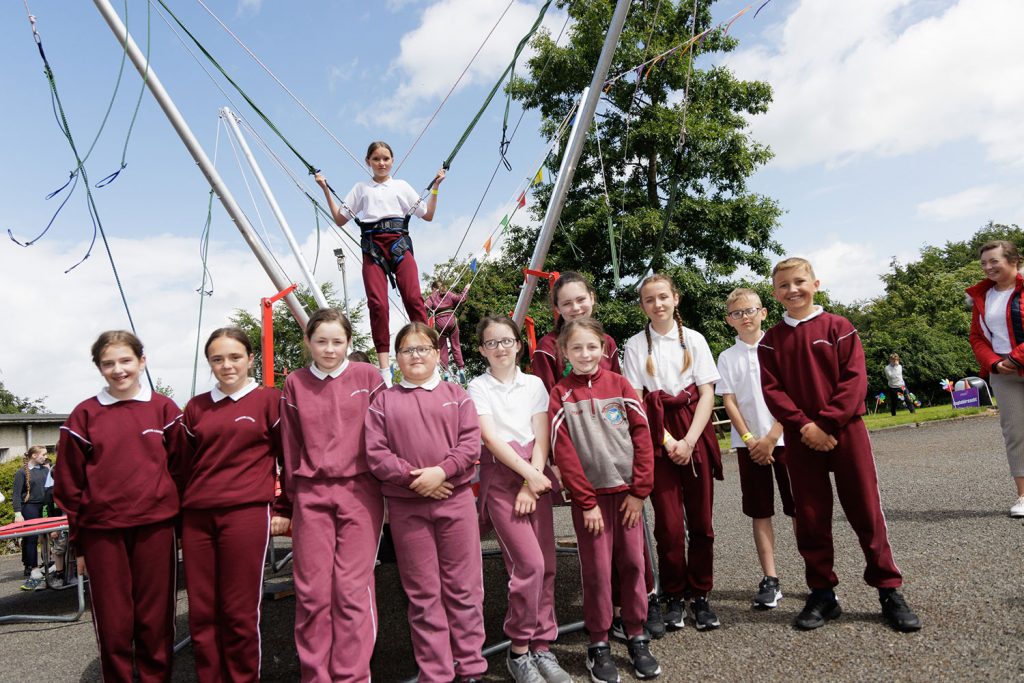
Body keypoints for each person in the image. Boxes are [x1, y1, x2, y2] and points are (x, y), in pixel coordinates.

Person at [758, 257, 921, 632]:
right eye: (784, 285)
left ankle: (888, 589)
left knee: (866, 510)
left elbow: (854, 379)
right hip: (801, 438)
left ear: (815, 284)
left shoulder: (839, 327)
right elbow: (773, 392)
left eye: (800, 281)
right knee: (811, 517)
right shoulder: (770, 342)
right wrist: (805, 426)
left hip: (846, 431)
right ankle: (822, 594)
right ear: (775, 293)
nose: (793, 289)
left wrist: (827, 423)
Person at [530, 271, 663, 638]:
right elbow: (549, 407)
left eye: (581, 299)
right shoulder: (547, 348)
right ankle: (605, 624)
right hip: (582, 460)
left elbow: (621, 397)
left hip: (618, 459)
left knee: (632, 550)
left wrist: (639, 480)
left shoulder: (607, 342)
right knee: (598, 557)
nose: (575, 307)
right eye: (567, 303)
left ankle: (636, 607)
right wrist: (559, 466)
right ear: (556, 308)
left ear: (592, 299)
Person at [55, 330, 183, 681]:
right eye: (108, 363)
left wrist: (180, 527)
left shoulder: (164, 410)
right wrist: (79, 543)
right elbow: (68, 485)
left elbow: (182, 470)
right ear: (99, 367)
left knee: (155, 619)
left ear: (142, 361)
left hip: (155, 528)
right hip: (102, 533)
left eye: (126, 360)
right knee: (114, 623)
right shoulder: (84, 416)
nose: (118, 369)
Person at [365, 322, 486, 683]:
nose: (415, 356)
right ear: (396, 358)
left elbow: (470, 443)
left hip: (456, 501)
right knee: (423, 592)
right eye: (407, 350)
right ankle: (436, 672)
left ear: (437, 354)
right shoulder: (383, 402)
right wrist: (417, 480)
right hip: (407, 509)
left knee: (464, 587)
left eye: (423, 349)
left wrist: (442, 472)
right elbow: (376, 454)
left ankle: (471, 667)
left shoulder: (457, 394)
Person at [177, 327, 290, 682]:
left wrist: (284, 508)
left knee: (239, 612)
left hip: (246, 514)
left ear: (250, 359)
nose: (227, 365)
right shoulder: (196, 407)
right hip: (197, 518)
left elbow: (290, 459)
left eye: (235, 357)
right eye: (218, 359)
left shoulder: (270, 401)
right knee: (203, 613)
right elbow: (182, 467)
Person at [549, 318, 660, 682]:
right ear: (565, 352)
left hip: (628, 497)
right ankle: (598, 643)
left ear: (603, 348)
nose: (585, 354)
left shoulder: (621, 385)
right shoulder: (561, 394)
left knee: (633, 564)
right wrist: (585, 501)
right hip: (591, 503)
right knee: (597, 571)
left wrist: (639, 491)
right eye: (576, 348)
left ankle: (636, 634)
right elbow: (563, 453)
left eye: (592, 346)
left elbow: (642, 438)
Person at [280, 309, 386, 683]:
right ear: (308, 342)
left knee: (351, 590)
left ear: (349, 343)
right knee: (312, 593)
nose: (329, 349)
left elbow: (385, 435)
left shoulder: (368, 377)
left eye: (337, 341)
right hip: (311, 495)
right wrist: (289, 503)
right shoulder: (295, 383)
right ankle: (316, 676)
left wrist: (391, 488)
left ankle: (352, 676)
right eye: (321, 341)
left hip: (361, 492)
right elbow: (290, 445)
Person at [466, 316, 570, 683]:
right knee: (528, 565)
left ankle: (542, 644)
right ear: (482, 349)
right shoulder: (477, 387)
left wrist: (532, 481)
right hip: (502, 476)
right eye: (491, 342)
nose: (500, 348)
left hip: (533, 476)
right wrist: (528, 476)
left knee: (547, 564)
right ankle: (519, 649)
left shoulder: (534, 384)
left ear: (518, 344)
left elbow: (542, 435)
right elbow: (490, 439)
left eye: (506, 341)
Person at [623, 274, 723, 632]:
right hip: (657, 434)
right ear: (642, 306)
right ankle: (675, 595)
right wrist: (667, 442)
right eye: (650, 300)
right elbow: (636, 400)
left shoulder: (694, 338)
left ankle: (701, 595)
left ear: (675, 298)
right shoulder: (636, 345)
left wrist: (690, 441)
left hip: (695, 429)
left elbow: (707, 393)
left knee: (701, 523)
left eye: (663, 297)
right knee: (668, 526)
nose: (658, 304)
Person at [315, 141, 444, 385]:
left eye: (385, 158)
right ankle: (385, 369)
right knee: (377, 304)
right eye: (376, 159)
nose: (381, 163)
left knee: (413, 298)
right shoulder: (361, 189)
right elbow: (340, 219)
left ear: (392, 160)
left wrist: (436, 187)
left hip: (398, 244)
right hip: (373, 247)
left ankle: (430, 358)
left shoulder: (401, 186)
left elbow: (427, 214)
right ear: (368, 162)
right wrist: (324, 189)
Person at [715, 288, 795, 608]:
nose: (745, 317)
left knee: (799, 508)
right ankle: (770, 578)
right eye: (737, 313)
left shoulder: (780, 347)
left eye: (750, 310)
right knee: (760, 511)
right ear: (729, 320)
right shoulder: (727, 357)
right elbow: (729, 401)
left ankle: (817, 576)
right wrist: (750, 439)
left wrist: (773, 435)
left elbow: (792, 395)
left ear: (763, 313)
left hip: (786, 439)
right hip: (749, 445)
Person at [966, 239, 1024, 517]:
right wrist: (994, 362)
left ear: (1014, 261)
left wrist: (1016, 358)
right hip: (1002, 373)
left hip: (1016, 360)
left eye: (994, 261)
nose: (988, 267)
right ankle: (1023, 497)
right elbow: (976, 337)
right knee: (1016, 433)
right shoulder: (982, 296)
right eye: (983, 263)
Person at [13, 445, 50, 590]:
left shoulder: (45, 470)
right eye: (43, 454)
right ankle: (33, 568)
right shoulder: (21, 472)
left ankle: (47, 564)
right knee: (31, 538)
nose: (46, 457)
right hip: (30, 507)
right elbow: (16, 494)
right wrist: (18, 513)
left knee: (47, 537)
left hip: (44, 506)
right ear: (34, 455)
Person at [425, 281, 471, 383]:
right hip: (451, 321)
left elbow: (424, 308)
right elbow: (461, 299)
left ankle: (445, 371)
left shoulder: (432, 297)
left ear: (433, 288)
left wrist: (426, 301)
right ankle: (461, 369)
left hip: (440, 324)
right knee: (456, 346)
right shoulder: (448, 293)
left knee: (442, 349)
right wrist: (466, 289)